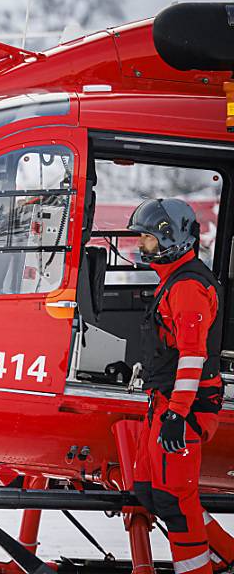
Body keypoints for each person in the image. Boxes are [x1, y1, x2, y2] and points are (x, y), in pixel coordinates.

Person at [127, 198, 234, 573]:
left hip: (183, 408)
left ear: (173, 238)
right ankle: (227, 554)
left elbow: (193, 356)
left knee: (174, 498)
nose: (142, 247)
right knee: (148, 492)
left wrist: (177, 414)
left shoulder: (188, 287)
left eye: (149, 240)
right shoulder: (172, 280)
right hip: (166, 401)